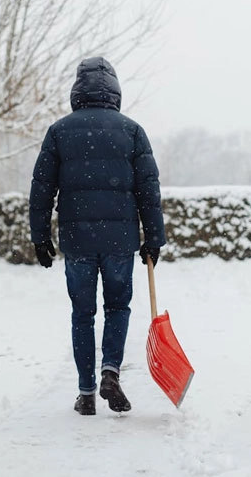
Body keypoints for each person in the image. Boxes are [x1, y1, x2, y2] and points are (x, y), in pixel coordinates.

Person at [29, 57, 166, 415]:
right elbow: (148, 190)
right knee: (118, 306)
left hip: (78, 240)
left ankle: (87, 392)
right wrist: (153, 238)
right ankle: (110, 371)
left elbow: (42, 189)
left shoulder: (59, 132)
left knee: (82, 314)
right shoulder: (132, 131)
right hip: (120, 240)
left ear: (77, 89)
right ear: (115, 90)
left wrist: (40, 236)